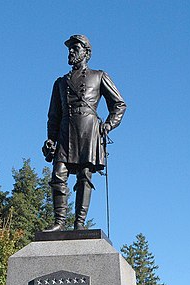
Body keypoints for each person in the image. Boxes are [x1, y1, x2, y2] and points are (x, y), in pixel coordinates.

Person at [42, 34, 126, 231]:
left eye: (75, 48)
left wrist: (108, 124)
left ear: (86, 53)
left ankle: (79, 224)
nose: (71, 52)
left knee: (84, 175)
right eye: (69, 49)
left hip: (89, 130)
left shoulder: (99, 76)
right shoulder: (60, 82)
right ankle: (59, 222)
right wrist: (50, 139)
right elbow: (53, 115)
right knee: (58, 174)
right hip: (66, 131)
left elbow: (119, 104)